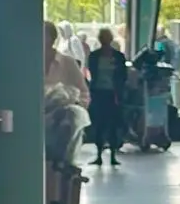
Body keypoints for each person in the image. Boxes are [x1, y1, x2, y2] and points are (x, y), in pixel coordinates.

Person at [87, 26, 129, 167]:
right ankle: (100, 154)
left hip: (112, 94)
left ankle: (111, 155)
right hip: (99, 93)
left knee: (112, 125)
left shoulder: (118, 56)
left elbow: (123, 76)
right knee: (100, 124)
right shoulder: (94, 56)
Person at [45, 20, 90, 106]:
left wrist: (75, 107)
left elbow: (84, 93)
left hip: (63, 112)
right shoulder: (29, 64)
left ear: (52, 38)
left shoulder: (68, 62)